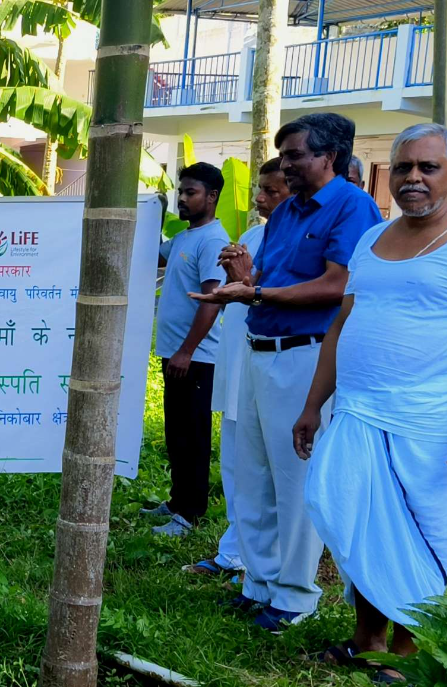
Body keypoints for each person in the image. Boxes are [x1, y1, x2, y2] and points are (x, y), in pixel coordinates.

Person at [295, 124, 447, 682]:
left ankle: (406, 653)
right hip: (357, 411)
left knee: (419, 532)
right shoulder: (371, 238)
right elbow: (341, 325)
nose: (413, 178)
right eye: (403, 168)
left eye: (428, 167)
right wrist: (313, 405)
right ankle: (366, 639)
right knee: (357, 519)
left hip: (431, 424)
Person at [192, 112, 383, 632]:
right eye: (286, 155)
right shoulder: (287, 211)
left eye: (297, 155)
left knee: (295, 479)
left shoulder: (354, 207)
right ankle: (259, 585)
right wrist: (243, 277)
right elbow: (270, 279)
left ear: (331, 157)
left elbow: (338, 286)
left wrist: (252, 292)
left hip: (305, 355)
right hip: (258, 348)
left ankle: (295, 596)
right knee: (251, 474)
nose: (287, 165)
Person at [184, 158, 292, 577]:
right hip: (236, 364)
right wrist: (235, 279)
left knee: (273, 472)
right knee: (236, 464)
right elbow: (238, 294)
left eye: (271, 191)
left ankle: (272, 564)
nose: (261, 199)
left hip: (272, 367)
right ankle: (235, 551)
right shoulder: (251, 235)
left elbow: (270, 294)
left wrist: (250, 282)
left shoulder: (299, 241)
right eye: (259, 191)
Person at [142, 162, 228, 536]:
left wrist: (186, 351)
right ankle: (177, 501)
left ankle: (190, 513)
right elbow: (151, 257)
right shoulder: (184, 236)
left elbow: (213, 300)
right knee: (177, 431)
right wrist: (156, 212)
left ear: (211, 197)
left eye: (190, 192)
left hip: (196, 358)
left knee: (193, 435)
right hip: (177, 354)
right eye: (181, 192)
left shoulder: (212, 241)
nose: (183, 198)